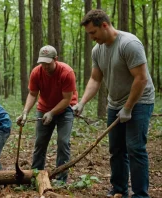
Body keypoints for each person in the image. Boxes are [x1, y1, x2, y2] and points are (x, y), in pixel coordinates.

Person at [74, 9, 155, 198]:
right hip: (115, 103)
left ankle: (140, 194)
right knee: (116, 149)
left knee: (135, 147)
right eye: (88, 34)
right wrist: (82, 102)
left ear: (104, 25)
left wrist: (128, 108)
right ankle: (119, 190)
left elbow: (141, 79)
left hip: (140, 100)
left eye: (93, 33)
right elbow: (95, 79)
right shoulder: (97, 50)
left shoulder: (129, 44)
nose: (91, 38)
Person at [16, 45, 78, 184]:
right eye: (42, 63)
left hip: (65, 109)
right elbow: (33, 94)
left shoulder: (66, 72)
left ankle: (61, 178)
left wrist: (52, 113)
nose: (45, 66)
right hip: (44, 107)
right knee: (40, 142)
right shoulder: (36, 72)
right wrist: (25, 112)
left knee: (63, 142)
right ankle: (36, 175)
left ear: (56, 59)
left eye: (48, 63)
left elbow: (67, 99)